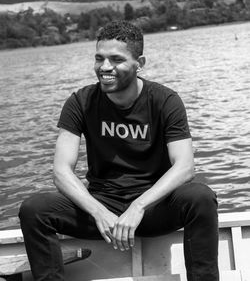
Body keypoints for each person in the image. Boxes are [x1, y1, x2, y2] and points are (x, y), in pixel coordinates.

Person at [19, 20, 219, 281]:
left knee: (201, 198)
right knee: (35, 209)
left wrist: (138, 206)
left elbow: (185, 166)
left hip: (152, 207)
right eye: (99, 58)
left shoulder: (165, 100)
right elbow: (61, 171)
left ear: (140, 62)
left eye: (116, 59)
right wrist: (97, 210)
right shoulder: (80, 101)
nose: (105, 68)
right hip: (102, 208)